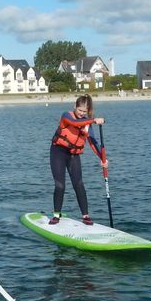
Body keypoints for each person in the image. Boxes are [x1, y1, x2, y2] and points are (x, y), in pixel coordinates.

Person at [48, 94, 107, 225]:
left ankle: (85, 216)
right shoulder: (66, 116)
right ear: (74, 106)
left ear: (88, 111)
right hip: (58, 151)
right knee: (60, 185)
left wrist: (103, 159)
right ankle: (56, 215)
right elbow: (75, 123)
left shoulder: (87, 123)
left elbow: (93, 142)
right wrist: (93, 120)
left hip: (74, 155)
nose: (81, 113)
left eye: (84, 112)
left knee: (79, 184)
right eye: (79, 110)